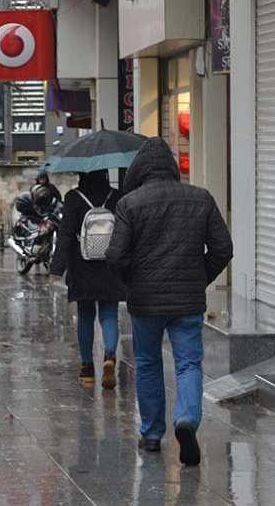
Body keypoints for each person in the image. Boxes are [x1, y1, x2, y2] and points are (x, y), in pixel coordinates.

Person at [106, 138, 233, 466]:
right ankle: (186, 420)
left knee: (148, 363)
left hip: (146, 302)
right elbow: (223, 248)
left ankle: (151, 435)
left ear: (140, 170)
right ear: (172, 167)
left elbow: (116, 254)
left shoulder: (130, 204)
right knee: (189, 363)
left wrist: (132, 282)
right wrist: (197, 279)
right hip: (187, 303)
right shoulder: (200, 198)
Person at [49, 170, 125, 389]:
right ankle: (110, 355)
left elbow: (64, 235)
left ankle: (87, 369)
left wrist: (56, 268)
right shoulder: (117, 197)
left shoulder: (74, 198)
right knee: (109, 314)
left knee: (85, 315)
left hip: (82, 266)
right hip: (110, 265)